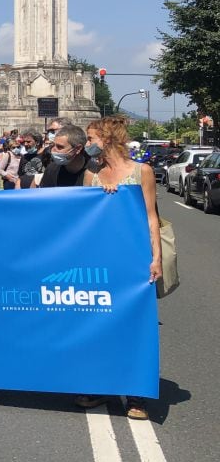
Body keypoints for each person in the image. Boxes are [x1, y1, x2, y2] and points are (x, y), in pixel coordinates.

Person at [75, 116, 162, 421]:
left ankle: (136, 394)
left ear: (108, 139)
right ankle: (100, 384)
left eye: (92, 138)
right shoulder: (93, 173)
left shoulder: (143, 172)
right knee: (98, 324)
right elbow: (84, 219)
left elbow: (151, 217)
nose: (88, 144)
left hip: (133, 260)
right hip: (100, 262)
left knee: (134, 325)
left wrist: (156, 258)